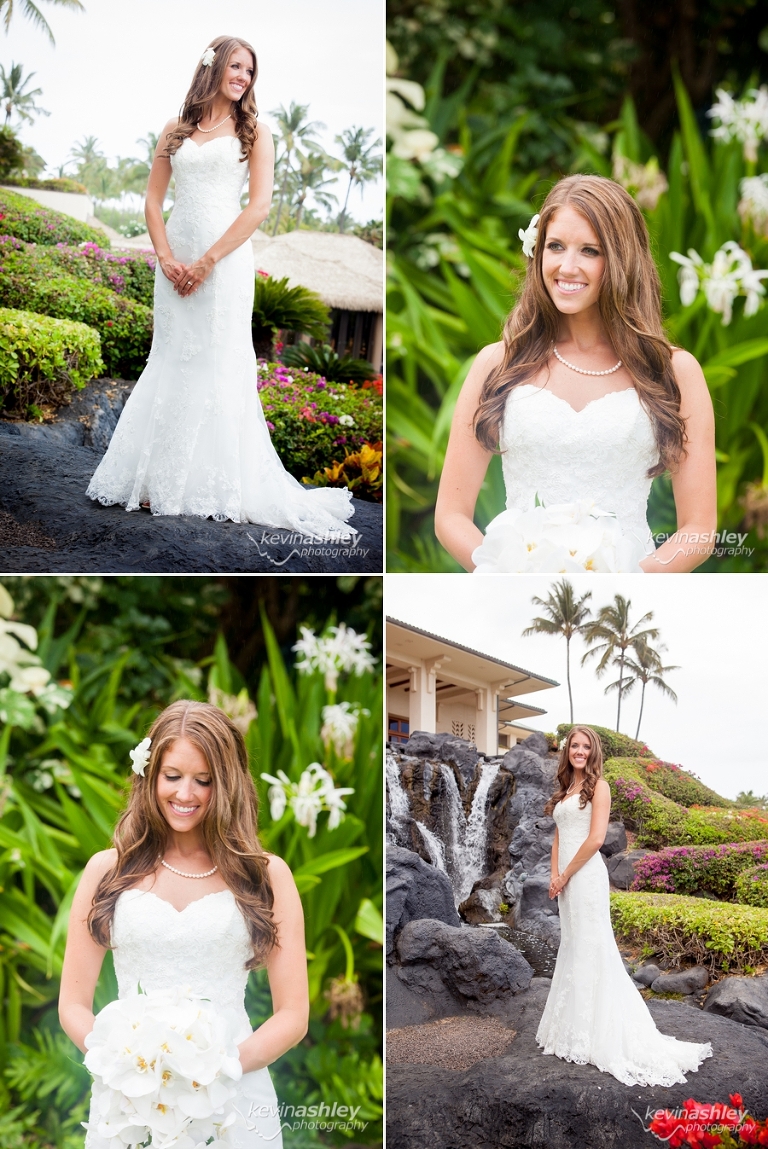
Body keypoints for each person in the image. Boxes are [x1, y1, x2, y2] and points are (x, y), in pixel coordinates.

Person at [86, 36, 355, 539]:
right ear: (211, 67)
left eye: (249, 71)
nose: (243, 77)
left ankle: (211, 486)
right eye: (235, 66)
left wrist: (208, 261)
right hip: (174, 262)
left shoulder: (256, 133)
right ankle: (152, 481)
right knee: (170, 359)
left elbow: (257, 208)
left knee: (215, 361)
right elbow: (152, 198)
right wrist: (166, 257)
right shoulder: (174, 130)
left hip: (225, 264)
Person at [434, 175, 717, 573]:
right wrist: (507, 579)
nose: (567, 267)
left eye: (590, 250)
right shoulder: (496, 365)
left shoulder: (674, 372)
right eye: (555, 247)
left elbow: (699, 529)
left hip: (626, 608)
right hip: (516, 604)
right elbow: (450, 515)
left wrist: (626, 586)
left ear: (621, 259)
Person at [59, 699, 309, 1147]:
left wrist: (219, 1070)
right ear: (150, 775)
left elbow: (293, 1015)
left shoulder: (267, 875)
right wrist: (125, 1062)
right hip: (132, 1097)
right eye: (172, 776)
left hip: (234, 1094)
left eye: (204, 780)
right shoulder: (106, 870)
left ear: (227, 783)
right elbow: (73, 1004)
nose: (185, 794)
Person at [536, 725, 712, 1086]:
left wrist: (566, 874)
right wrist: (554, 875)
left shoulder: (599, 787)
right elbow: (558, 837)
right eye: (575, 745)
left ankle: (598, 1034)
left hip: (585, 878)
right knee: (572, 946)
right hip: (566, 880)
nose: (579, 751)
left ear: (593, 752)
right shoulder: (567, 789)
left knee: (592, 948)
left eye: (586, 746)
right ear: (567, 750)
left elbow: (597, 838)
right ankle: (572, 1030)